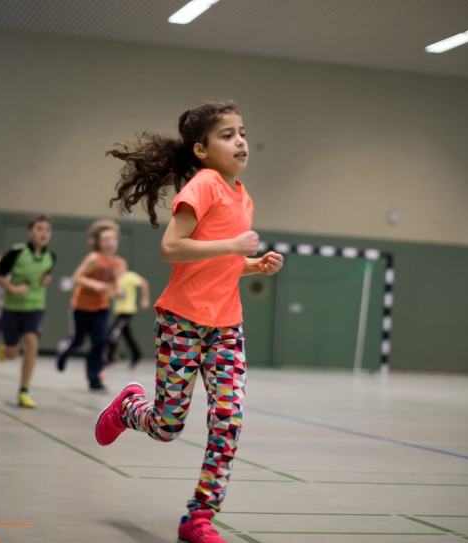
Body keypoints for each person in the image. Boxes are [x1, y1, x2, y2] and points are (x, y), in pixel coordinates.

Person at [93, 100, 284, 543]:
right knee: (167, 425)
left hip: (226, 326)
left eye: (242, 132)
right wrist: (235, 244)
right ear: (201, 149)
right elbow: (172, 248)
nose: (240, 141)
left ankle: (200, 516)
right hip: (182, 321)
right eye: (227, 134)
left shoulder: (244, 197)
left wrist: (252, 265)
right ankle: (127, 408)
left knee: (229, 418)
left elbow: (222, 263)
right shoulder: (203, 186)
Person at [54, 220, 125, 393]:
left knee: (100, 342)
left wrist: (117, 290)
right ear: (99, 242)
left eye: (113, 239)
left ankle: (94, 379)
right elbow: (77, 277)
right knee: (78, 340)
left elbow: (113, 280)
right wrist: (94, 285)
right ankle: (64, 351)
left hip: (101, 307)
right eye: (106, 240)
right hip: (81, 307)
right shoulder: (94, 259)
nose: (110, 243)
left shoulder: (116, 262)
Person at [0, 214, 56, 408]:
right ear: (30, 232)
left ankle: (24, 391)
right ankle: (5, 350)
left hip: (35, 307)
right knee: (13, 354)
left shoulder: (51, 256)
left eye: (47, 229)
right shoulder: (16, 252)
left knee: (31, 342)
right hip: (12, 308)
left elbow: (46, 275)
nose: (43, 233)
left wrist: (47, 280)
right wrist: (13, 289)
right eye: (39, 229)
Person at [107, 269, 150, 368]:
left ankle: (111, 357)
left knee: (112, 334)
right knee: (127, 335)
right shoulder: (115, 279)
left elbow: (143, 283)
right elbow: (110, 293)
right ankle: (136, 353)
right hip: (119, 311)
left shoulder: (129, 276)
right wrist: (115, 293)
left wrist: (145, 299)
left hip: (127, 311)